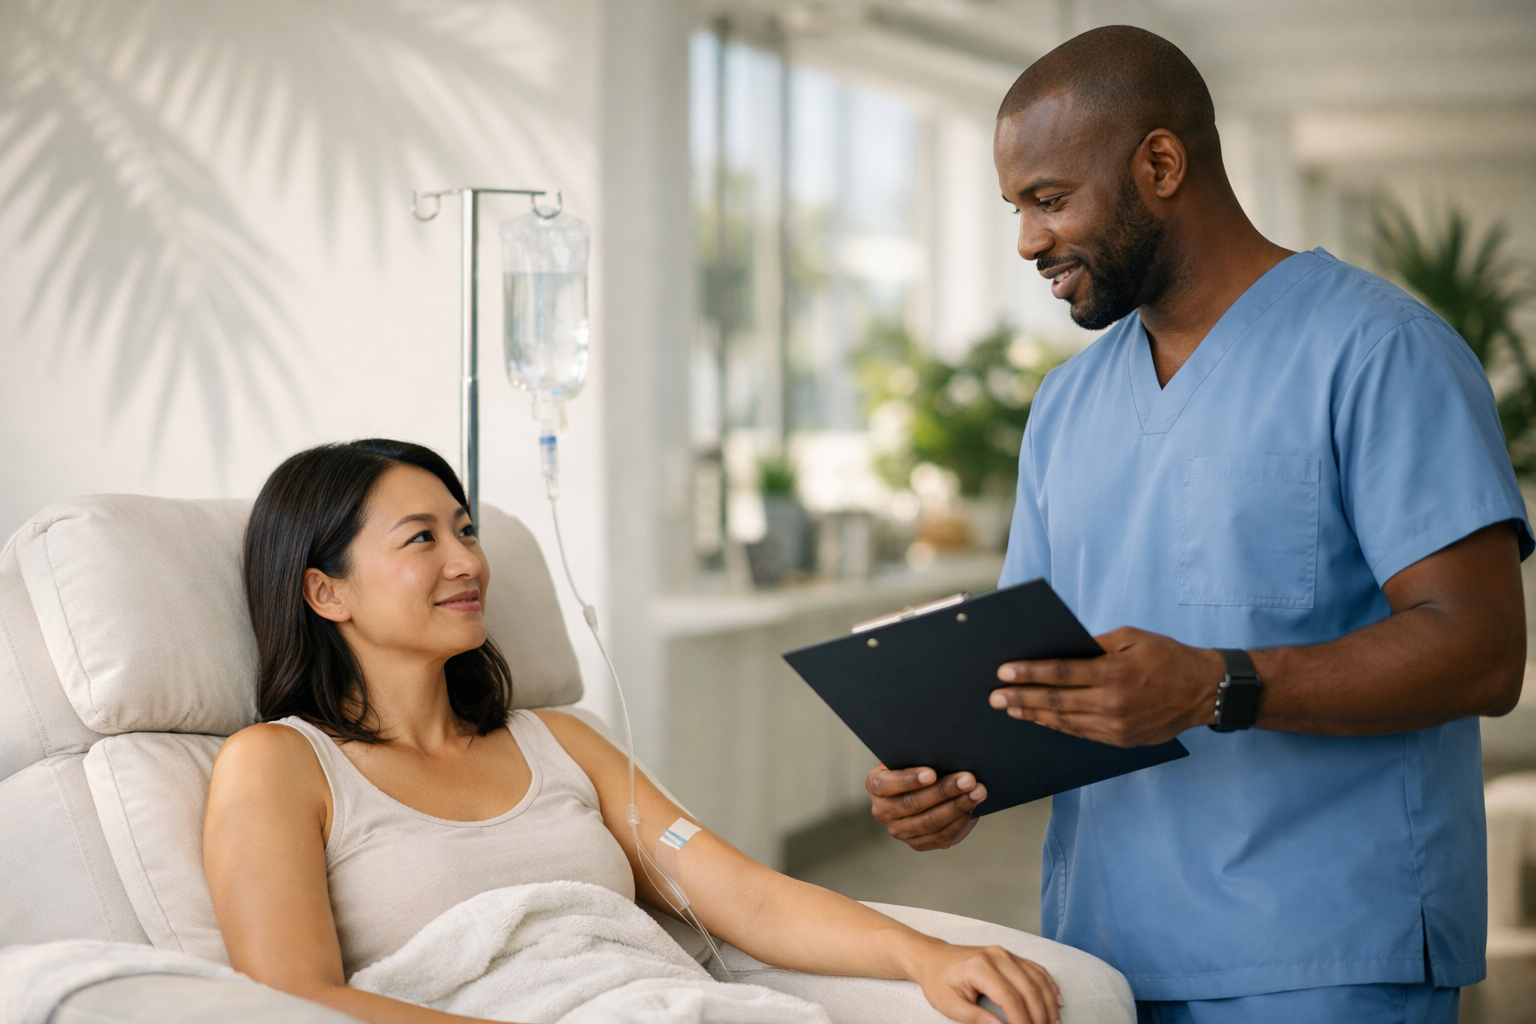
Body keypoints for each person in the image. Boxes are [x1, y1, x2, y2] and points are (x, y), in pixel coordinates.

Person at [865, 25, 1529, 1024]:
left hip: (1324, 951)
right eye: (1015, 208)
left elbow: (1482, 652)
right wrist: (951, 777)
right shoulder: (1066, 405)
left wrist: (1219, 685)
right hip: (1102, 957)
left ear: (1161, 163)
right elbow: (1034, 671)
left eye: (1049, 198)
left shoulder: (1383, 351)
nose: (1027, 241)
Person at [203, 438, 1063, 1024]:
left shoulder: (557, 742)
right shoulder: (280, 766)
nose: (466, 560)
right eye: (421, 539)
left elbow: (746, 896)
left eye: (464, 530)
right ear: (326, 592)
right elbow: (291, 997)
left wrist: (928, 958)